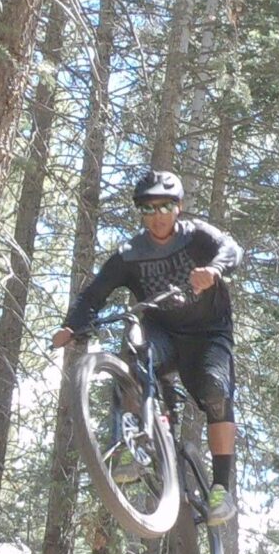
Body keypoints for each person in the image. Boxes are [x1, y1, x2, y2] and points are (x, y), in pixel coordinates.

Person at [51, 169, 241, 525]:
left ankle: (220, 489)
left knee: (215, 391)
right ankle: (134, 442)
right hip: (163, 333)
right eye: (148, 209)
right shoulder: (129, 254)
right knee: (135, 354)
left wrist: (214, 270)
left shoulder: (198, 236)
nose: (158, 216)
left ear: (179, 207)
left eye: (165, 207)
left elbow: (231, 249)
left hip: (209, 334)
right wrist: (71, 326)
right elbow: (93, 295)